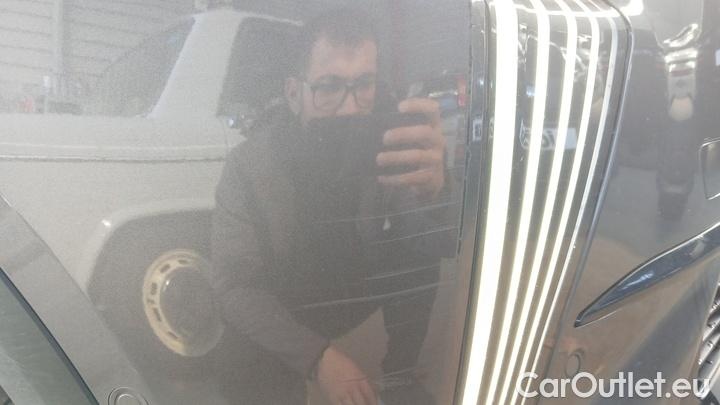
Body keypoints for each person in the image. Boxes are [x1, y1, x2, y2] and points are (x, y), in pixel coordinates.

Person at [211, 7, 456, 405]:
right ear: (294, 93)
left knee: (417, 257)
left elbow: (435, 245)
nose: (350, 107)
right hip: (284, 296)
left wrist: (438, 196)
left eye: (364, 84)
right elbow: (233, 286)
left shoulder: (384, 145)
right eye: (329, 87)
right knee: (237, 353)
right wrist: (318, 358)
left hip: (348, 281)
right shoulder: (249, 164)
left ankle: (400, 375)